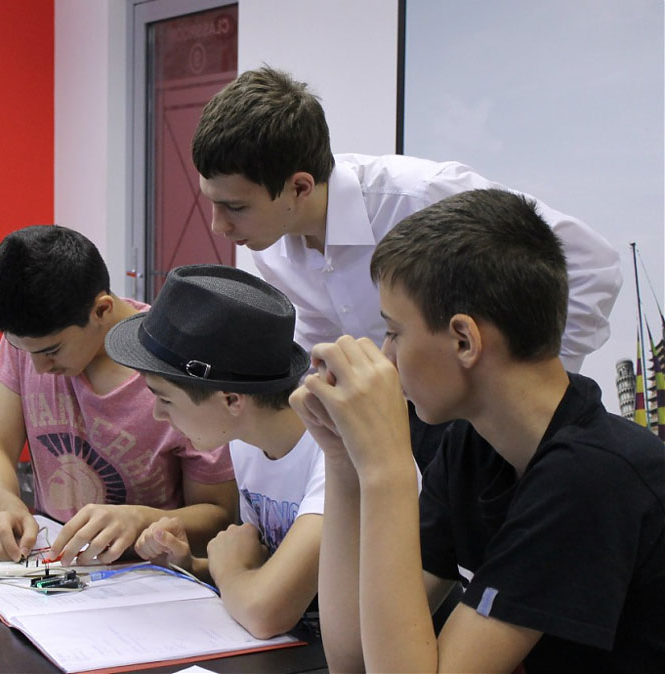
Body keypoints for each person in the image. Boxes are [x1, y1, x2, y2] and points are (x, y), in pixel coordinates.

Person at [292, 189, 665, 672]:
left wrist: (387, 469)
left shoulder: (594, 476)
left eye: (394, 332)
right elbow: (354, 658)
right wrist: (343, 459)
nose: (386, 357)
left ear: (464, 340)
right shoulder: (474, 446)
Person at [191, 65, 621, 374]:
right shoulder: (271, 247)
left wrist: (534, 388)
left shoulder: (422, 195)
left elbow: (592, 266)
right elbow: (322, 342)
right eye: (211, 202)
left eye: (235, 207)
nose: (218, 226)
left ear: (299, 188)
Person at [0, 225, 238, 564]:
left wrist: (141, 519)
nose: (38, 368)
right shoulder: (32, 338)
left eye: (52, 351)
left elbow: (220, 514)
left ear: (101, 310)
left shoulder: (179, 367)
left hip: (146, 575)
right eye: (24, 350)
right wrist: (6, 505)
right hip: (54, 566)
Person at [103, 264, 322, 640]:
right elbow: (257, 569)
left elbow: (265, 612)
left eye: (165, 399)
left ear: (232, 400)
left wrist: (227, 568)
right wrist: (191, 564)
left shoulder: (335, 455)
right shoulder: (245, 439)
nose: (157, 415)